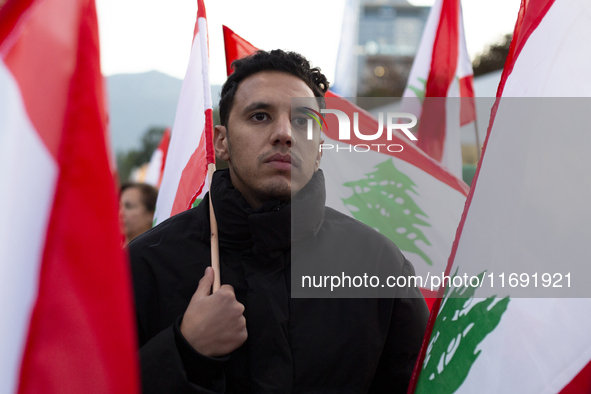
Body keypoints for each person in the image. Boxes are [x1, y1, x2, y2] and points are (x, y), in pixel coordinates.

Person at [129, 50, 429, 393]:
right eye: (260, 116)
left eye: (303, 122)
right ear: (221, 142)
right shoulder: (145, 264)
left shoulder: (378, 265)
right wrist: (183, 350)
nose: (284, 133)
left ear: (318, 148)